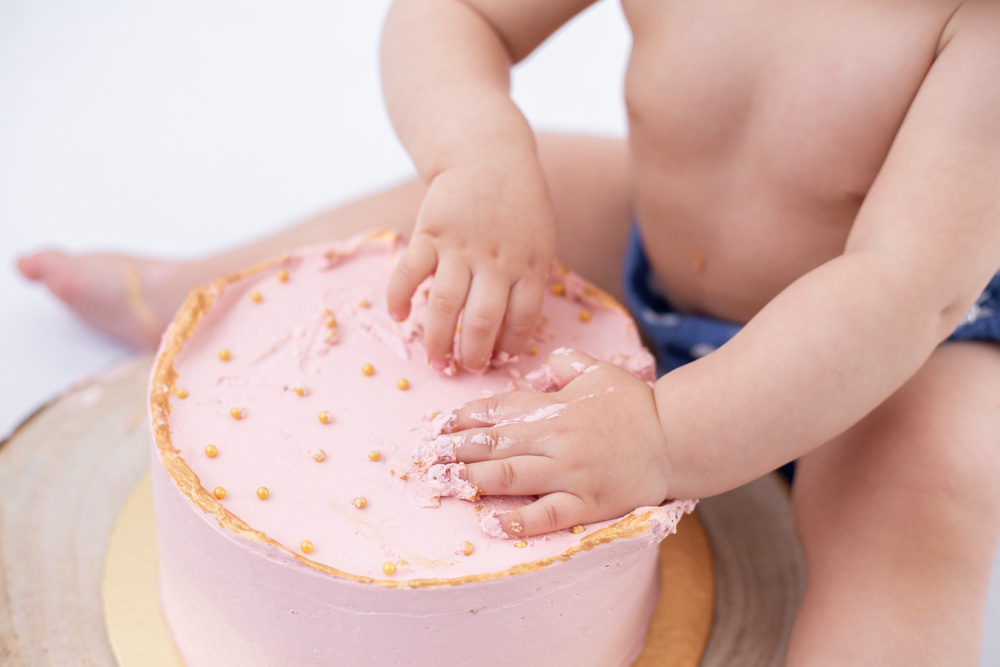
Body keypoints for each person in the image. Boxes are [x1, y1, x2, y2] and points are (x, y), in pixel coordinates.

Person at [18, 0, 1000, 662]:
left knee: (923, 495)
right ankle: (193, 290)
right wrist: (480, 155)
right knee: (495, 206)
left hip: (898, 359)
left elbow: (898, 288)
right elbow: (456, 14)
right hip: (658, 253)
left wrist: (668, 435)